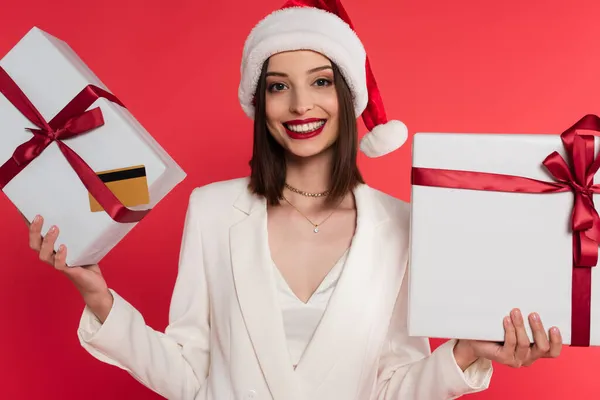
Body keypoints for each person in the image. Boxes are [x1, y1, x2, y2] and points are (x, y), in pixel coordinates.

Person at [26, 0, 562, 399]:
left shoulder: (401, 225)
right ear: (259, 102)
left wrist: (465, 353)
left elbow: (392, 387)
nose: (300, 103)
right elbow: (191, 376)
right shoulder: (212, 210)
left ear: (348, 95)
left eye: (321, 81)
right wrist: (98, 297)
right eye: (279, 86)